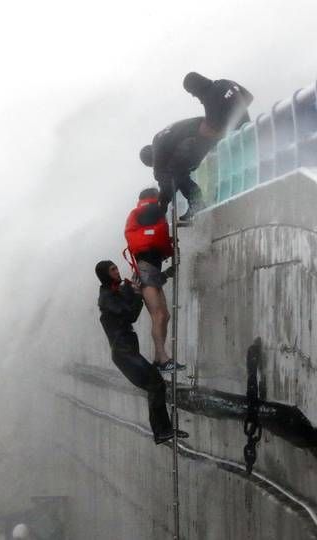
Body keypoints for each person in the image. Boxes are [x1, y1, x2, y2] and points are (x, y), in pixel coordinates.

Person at [95, 260, 188, 445]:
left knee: (155, 384)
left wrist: (165, 275)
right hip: (123, 353)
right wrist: (137, 295)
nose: (117, 271)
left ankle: (164, 430)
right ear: (106, 275)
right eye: (113, 269)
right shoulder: (106, 298)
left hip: (128, 351)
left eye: (116, 267)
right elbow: (131, 314)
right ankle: (162, 431)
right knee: (155, 383)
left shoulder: (116, 290)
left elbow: (145, 283)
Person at [139, 73, 253, 220]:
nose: (195, 97)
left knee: (176, 172)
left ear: (151, 160)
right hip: (236, 128)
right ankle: (196, 201)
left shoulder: (159, 151)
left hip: (200, 137)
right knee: (179, 170)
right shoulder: (223, 83)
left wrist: (163, 204)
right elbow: (248, 98)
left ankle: (196, 203)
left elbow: (165, 181)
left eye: (193, 93)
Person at [124, 187, 186, 373]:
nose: (161, 200)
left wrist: (166, 274)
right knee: (158, 316)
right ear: (151, 198)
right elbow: (158, 211)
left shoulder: (145, 214)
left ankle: (160, 359)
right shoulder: (147, 210)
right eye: (158, 196)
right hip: (146, 272)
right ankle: (162, 358)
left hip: (151, 270)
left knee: (164, 316)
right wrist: (168, 190)